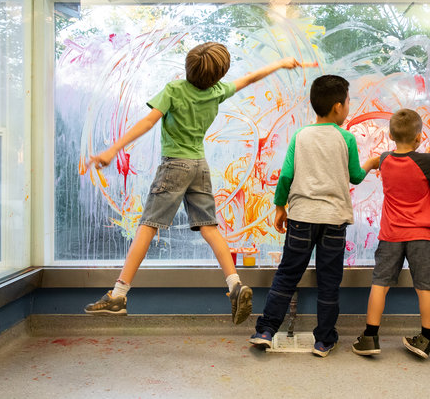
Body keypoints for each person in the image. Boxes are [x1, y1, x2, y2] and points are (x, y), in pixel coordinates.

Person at [84, 42, 300, 325]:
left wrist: (114, 149)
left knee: (147, 226)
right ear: (218, 76)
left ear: (188, 68)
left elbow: (148, 122)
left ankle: (118, 295)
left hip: (174, 165)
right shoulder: (216, 92)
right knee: (209, 227)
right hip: (200, 166)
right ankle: (234, 284)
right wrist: (280, 63)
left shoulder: (174, 90)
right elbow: (250, 79)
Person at [249, 75, 379, 357]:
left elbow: (285, 176)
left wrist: (280, 207)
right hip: (333, 220)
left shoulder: (300, 136)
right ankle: (323, 340)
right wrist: (372, 162)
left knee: (286, 275)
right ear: (337, 107)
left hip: (302, 217)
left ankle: (265, 330)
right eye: (347, 103)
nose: (348, 107)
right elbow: (355, 176)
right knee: (329, 281)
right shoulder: (346, 138)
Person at [351, 108, 430, 359]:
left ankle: (370, 337)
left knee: (380, 284)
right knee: (425, 288)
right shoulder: (426, 162)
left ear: (390, 134)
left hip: (391, 235)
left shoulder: (385, 160)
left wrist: (367, 164)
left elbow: (374, 163)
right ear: (419, 138)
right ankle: (426, 340)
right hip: (421, 236)